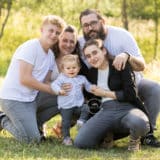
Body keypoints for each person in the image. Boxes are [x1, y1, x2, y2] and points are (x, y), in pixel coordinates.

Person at [78, 8, 160, 147]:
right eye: (86, 25)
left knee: (155, 89)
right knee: (83, 141)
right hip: (105, 102)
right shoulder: (81, 43)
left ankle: (147, 134)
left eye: (93, 23)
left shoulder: (122, 35)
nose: (90, 28)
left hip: (132, 84)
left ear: (102, 21)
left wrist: (126, 56)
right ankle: (107, 132)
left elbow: (141, 66)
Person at [74, 38, 150, 151]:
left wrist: (104, 93)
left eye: (95, 52)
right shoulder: (91, 74)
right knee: (81, 142)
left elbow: (131, 95)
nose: (92, 58)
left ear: (103, 51)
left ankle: (135, 139)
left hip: (127, 108)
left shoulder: (119, 65)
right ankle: (108, 133)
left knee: (140, 123)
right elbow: (89, 98)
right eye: (88, 56)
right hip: (105, 110)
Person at [0, 15, 66, 143]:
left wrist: (61, 87)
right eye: (51, 31)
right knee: (32, 140)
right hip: (14, 99)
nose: (54, 35)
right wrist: (51, 89)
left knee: (63, 97)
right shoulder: (31, 47)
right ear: (42, 30)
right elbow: (25, 79)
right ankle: (3, 118)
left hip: (31, 99)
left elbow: (46, 81)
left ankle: (33, 124)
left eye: (58, 33)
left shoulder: (51, 55)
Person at [51, 54, 95, 146]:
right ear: (63, 70)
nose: (71, 70)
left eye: (74, 67)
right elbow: (53, 85)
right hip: (65, 106)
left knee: (86, 107)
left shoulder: (81, 78)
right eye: (68, 68)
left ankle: (81, 121)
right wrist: (59, 91)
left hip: (78, 105)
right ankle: (66, 138)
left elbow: (88, 86)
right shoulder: (61, 78)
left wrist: (93, 88)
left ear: (78, 68)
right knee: (66, 122)